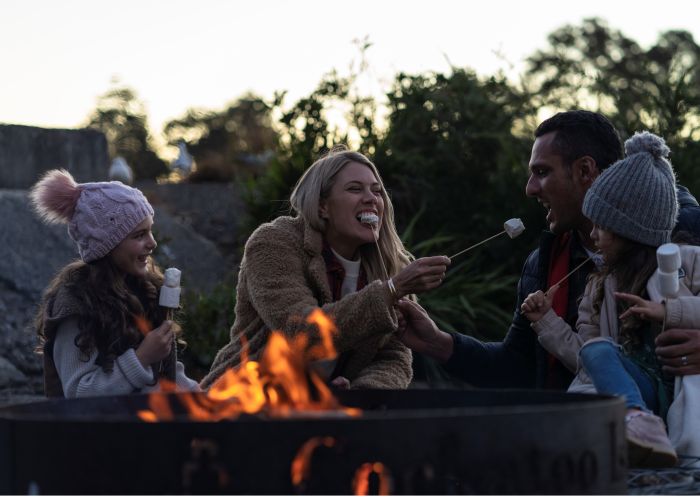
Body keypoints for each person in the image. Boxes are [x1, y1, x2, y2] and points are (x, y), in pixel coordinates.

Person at [396, 110, 700, 389]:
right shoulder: (544, 262)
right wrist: (437, 342)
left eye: (542, 172)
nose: (529, 188)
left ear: (585, 171)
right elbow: (518, 366)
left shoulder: (684, 229)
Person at [200, 147, 450, 390]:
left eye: (377, 191)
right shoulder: (273, 243)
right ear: (322, 206)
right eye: (354, 189)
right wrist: (391, 290)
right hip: (244, 402)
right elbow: (300, 331)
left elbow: (394, 355)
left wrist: (357, 395)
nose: (371, 199)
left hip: (329, 414)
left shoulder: (392, 265)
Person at [521, 132, 700, 467]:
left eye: (601, 226)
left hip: (681, 388)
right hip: (638, 388)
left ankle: (636, 425)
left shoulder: (687, 262)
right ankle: (636, 422)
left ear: (628, 229)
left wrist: (666, 310)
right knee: (595, 357)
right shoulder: (599, 286)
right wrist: (546, 321)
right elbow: (588, 359)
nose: (592, 234)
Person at [31, 169, 199, 398]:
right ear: (108, 246)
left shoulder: (145, 289)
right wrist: (141, 358)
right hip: (95, 432)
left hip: (148, 427)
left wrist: (206, 399)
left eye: (150, 230)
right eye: (139, 235)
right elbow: (79, 393)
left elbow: (168, 375)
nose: (153, 243)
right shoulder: (76, 304)